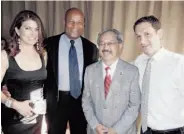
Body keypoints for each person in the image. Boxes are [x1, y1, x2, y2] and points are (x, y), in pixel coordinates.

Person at [44, 7, 99, 134]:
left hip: (81, 100)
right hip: (57, 100)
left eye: (79, 22)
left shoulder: (91, 48)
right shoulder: (49, 44)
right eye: (71, 21)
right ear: (64, 22)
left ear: (84, 24)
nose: (75, 26)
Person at [82, 29, 141, 134]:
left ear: (120, 45)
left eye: (110, 43)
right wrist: (95, 125)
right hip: (95, 131)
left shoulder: (132, 72)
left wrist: (116, 130)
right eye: (101, 43)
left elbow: (134, 106)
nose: (105, 47)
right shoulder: (89, 70)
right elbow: (86, 102)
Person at [133, 15, 184, 134]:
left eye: (147, 34)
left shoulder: (179, 63)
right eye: (138, 37)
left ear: (159, 34)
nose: (142, 41)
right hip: (146, 130)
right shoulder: (138, 63)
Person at [1, 10, 47, 134]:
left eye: (36, 29)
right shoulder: (5, 56)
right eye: (28, 28)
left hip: (37, 117)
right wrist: (15, 104)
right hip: (15, 119)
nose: (33, 34)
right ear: (17, 30)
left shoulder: (43, 54)